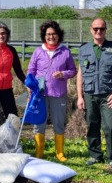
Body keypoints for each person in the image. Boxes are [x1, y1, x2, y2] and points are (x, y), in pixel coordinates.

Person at [76, 18, 112, 171]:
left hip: (108, 94)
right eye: (96, 29)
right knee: (92, 125)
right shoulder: (83, 50)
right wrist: (80, 96)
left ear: (105, 30)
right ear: (91, 30)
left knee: (110, 126)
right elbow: (80, 75)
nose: (98, 31)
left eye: (101, 29)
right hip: (89, 94)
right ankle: (95, 155)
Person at [27, 20, 77, 162]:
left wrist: (63, 74)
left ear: (58, 35)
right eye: (48, 34)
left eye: (54, 34)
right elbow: (31, 70)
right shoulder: (38, 51)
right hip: (40, 94)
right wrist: (30, 86)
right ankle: (39, 153)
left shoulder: (65, 52)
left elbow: (73, 70)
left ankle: (59, 153)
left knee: (59, 122)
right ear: (44, 36)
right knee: (39, 123)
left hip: (58, 94)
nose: (51, 37)